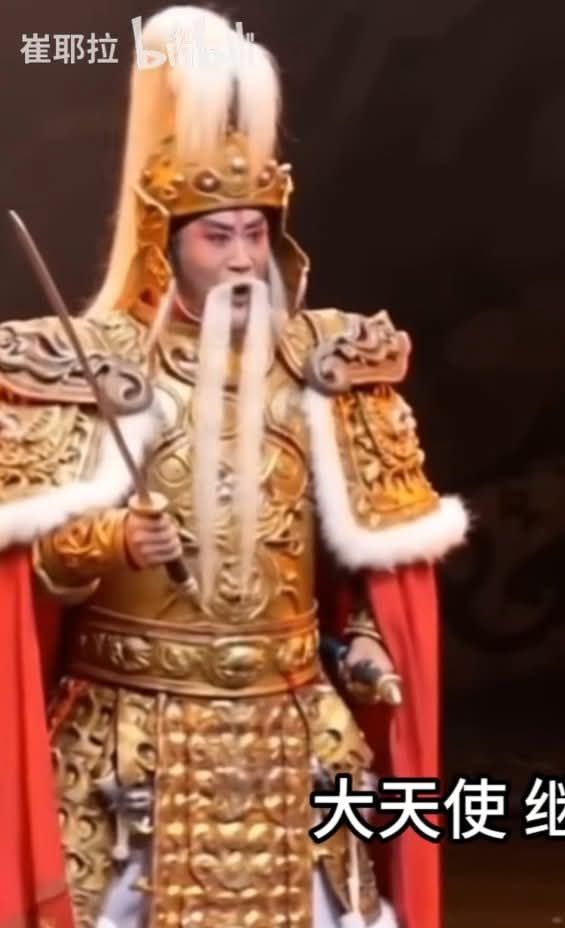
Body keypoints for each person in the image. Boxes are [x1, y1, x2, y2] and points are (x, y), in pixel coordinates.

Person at [0, 7, 468, 927]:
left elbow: (368, 555)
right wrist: (112, 539)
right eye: (218, 238)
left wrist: (366, 639)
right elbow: (36, 566)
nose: (244, 257)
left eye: (256, 233)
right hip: (130, 731)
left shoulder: (324, 368)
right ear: (167, 244)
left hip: (292, 725)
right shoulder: (95, 368)